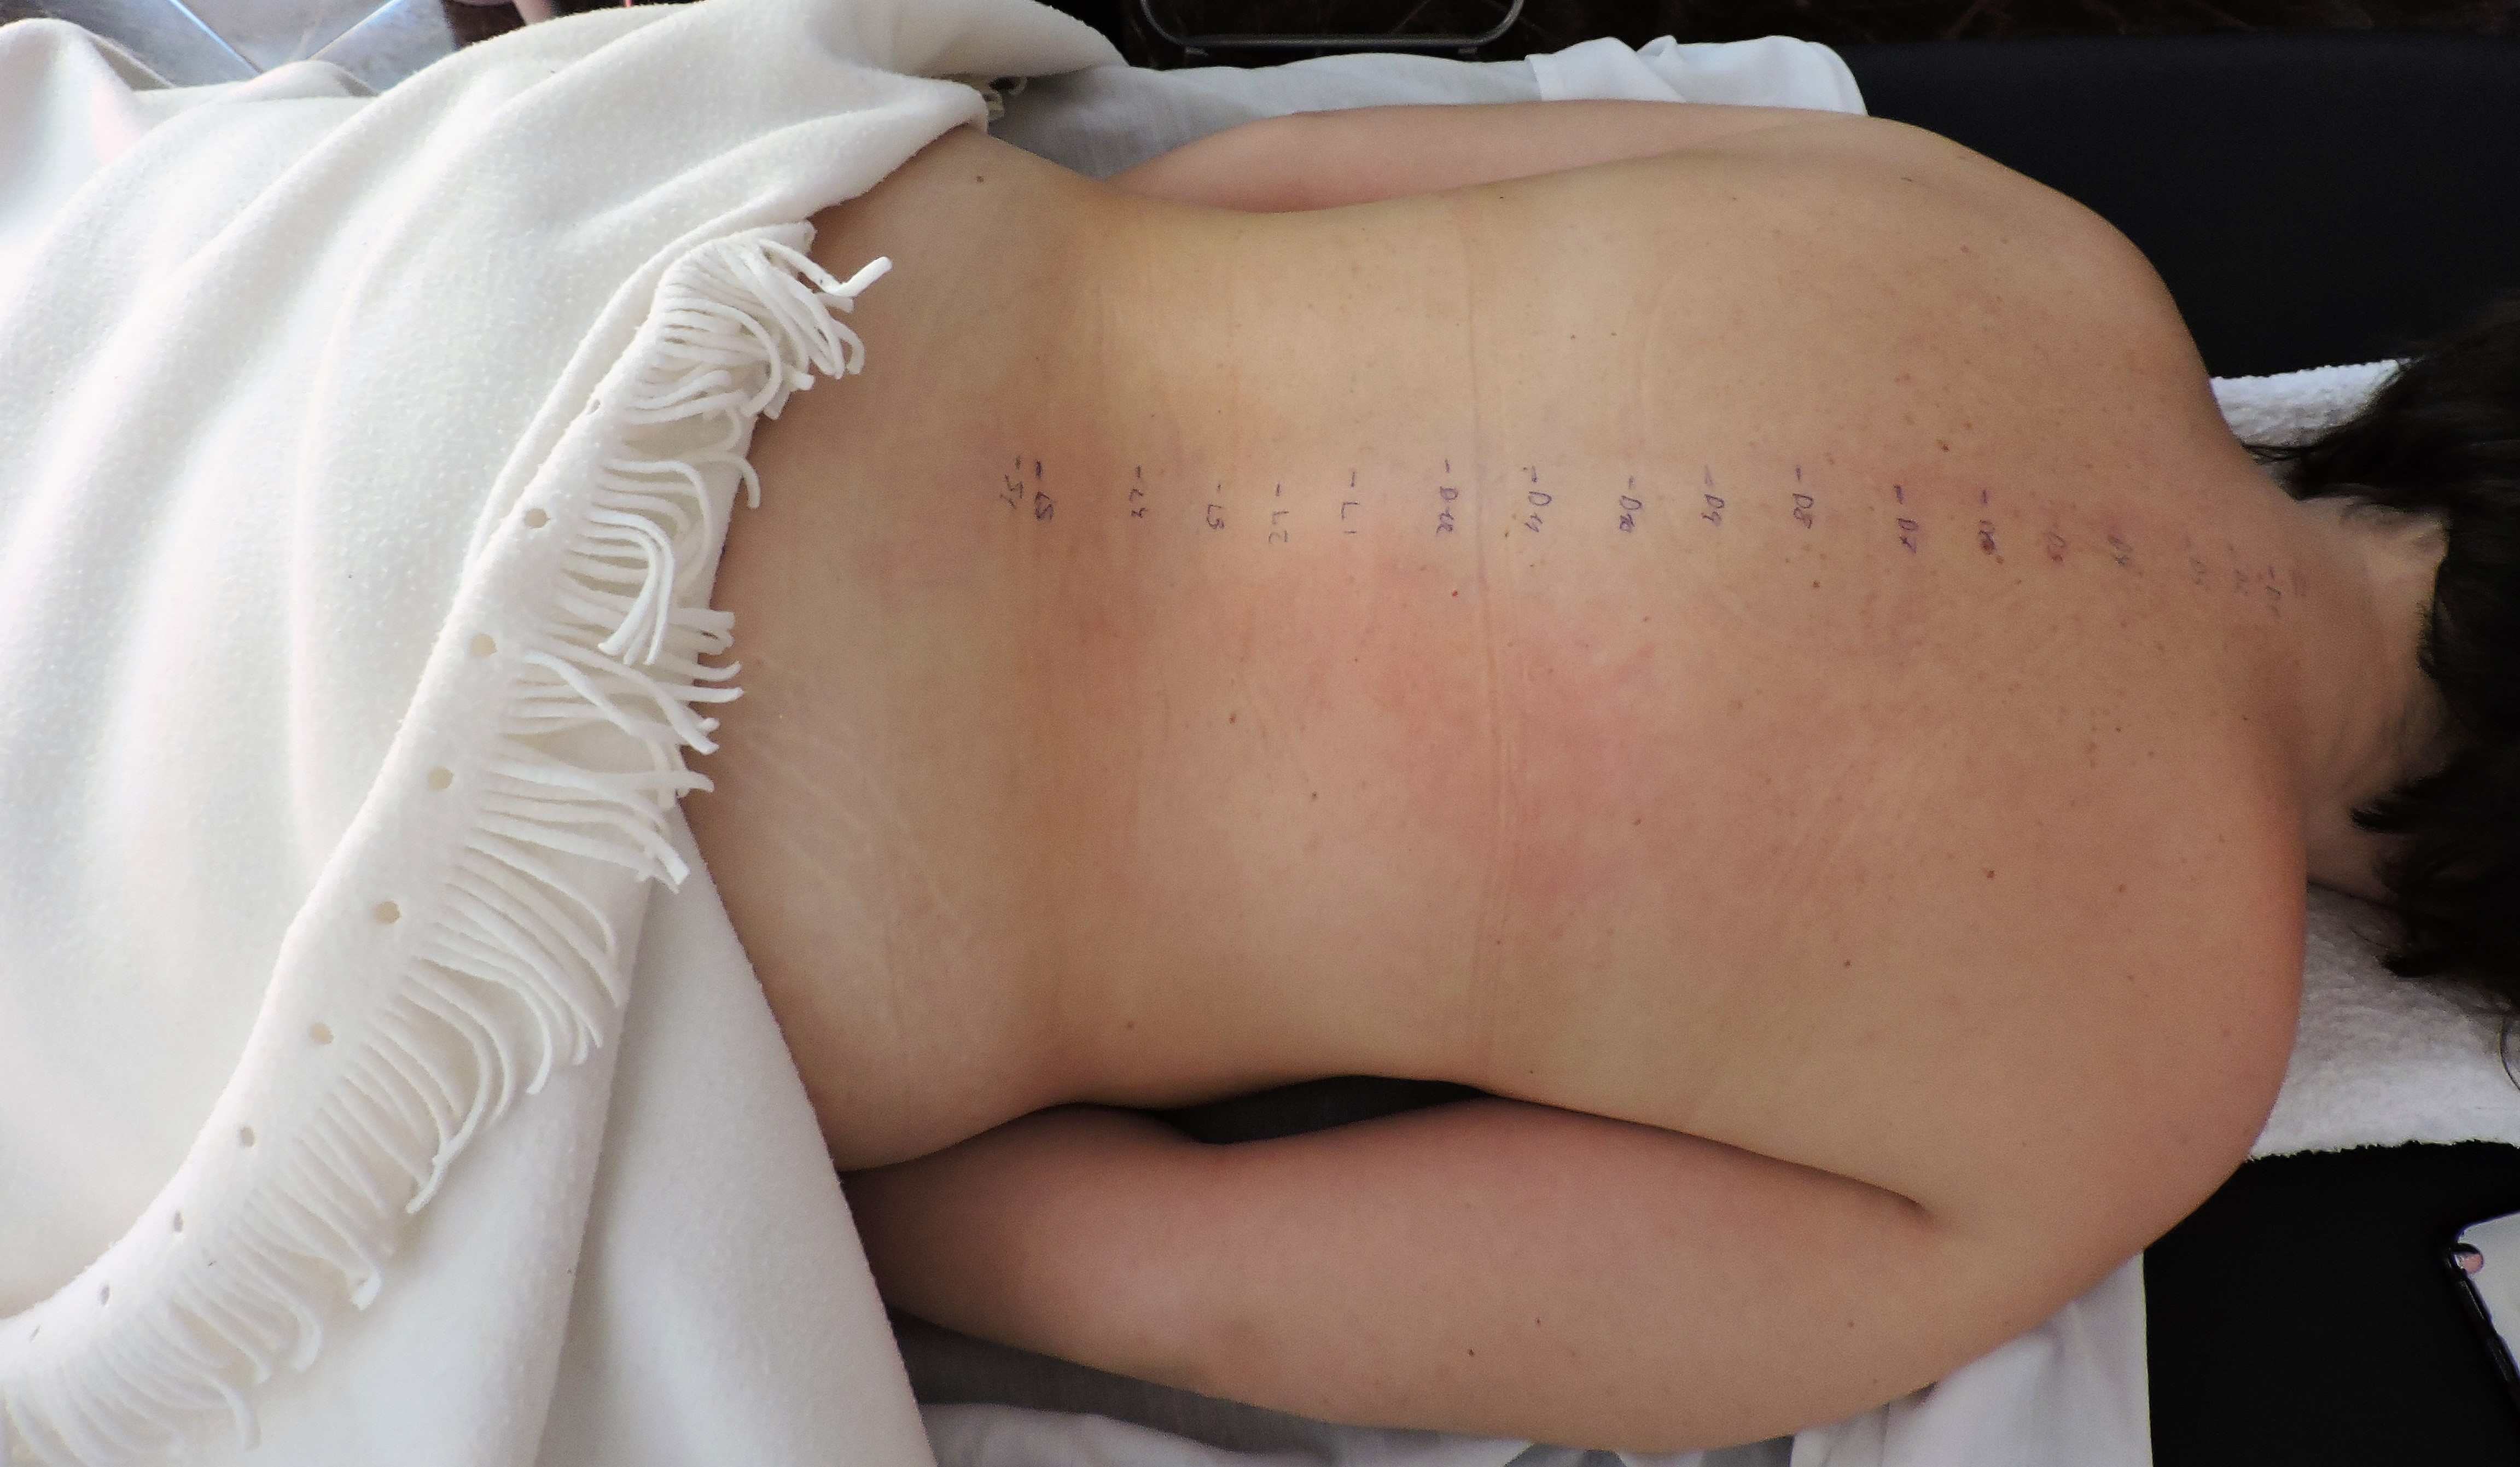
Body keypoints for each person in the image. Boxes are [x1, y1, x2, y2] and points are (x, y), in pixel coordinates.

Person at [678, 98, 2501, 1452]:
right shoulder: (2137, 1079)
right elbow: (1184, 1281)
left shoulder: (2042, 250)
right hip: (677, 872)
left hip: (708, 267)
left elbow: (1269, 176)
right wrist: (703, 1153)